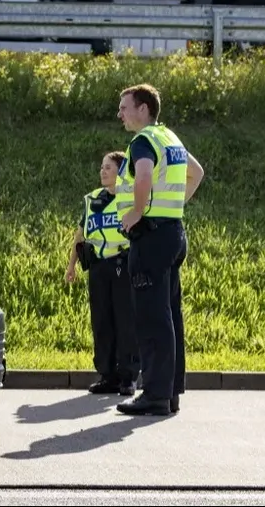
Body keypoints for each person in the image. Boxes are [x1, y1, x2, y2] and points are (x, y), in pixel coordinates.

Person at [113, 84, 204, 417]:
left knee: (152, 319)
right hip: (173, 233)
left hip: (150, 238)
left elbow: (144, 175)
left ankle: (153, 395)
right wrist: (174, 206)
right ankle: (170, 392)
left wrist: (137, 211)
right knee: (169, 316)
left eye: (125, 107)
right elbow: (197, 172)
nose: (120, 113)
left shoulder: (143, 141)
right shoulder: (171, 138)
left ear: (144, 108)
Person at [66, 151, 139, 396]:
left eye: (108, 167)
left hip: (123, 263)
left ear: (120, 171)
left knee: (125, 321)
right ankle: (108, 375)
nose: (103, 171)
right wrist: (71, 264)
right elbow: (80, 234)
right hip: (98, 266)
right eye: (101, 167)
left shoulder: (131, 198)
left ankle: (128, 377)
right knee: (102, 322)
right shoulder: (92, 199)